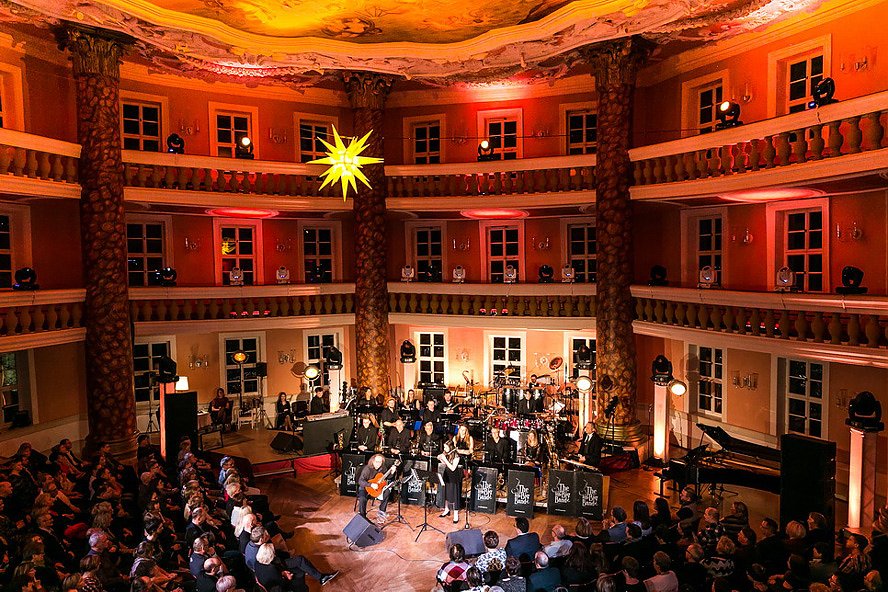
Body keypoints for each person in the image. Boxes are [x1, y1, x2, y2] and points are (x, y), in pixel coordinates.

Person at [253, 542, 337, 591]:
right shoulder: (271, 569)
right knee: (300, 572)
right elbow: (280, 584)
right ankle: (318, 579)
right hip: (281, 582)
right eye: (273, 553)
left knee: (300, 560)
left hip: (278, 568)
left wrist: (282, 572)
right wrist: (285, 575)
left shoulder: (257, 562)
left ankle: (321, 578)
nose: (275, 554)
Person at [357, 454, 394, 521]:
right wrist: (371, 485)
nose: (378, 463)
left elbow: (388, 477)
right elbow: (360, 481)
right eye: (376, 461)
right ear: (372, 461)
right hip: (366, 487)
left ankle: (381, 511)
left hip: (377, 488)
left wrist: (392, 472)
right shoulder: (367, 469)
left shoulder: (383, 468)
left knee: (387, 491)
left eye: (380, 462)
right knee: (362, 498)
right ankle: (362, 516)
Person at [437, 441, 463, 524]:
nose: (444, 449)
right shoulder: (447, 454)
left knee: (454, 496)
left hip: (454, 477)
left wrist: (444, 459)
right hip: (446, 475)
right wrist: (441, 459)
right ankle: (446, 509)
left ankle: (456, 514)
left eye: (446, 447)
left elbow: (452, 468)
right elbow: (446, 464)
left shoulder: (456, 456)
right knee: (446, 493)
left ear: (450, 447)